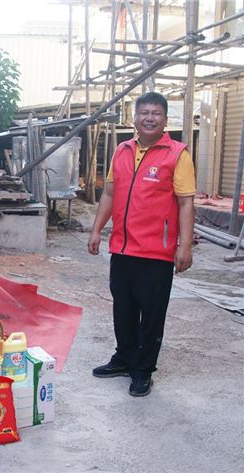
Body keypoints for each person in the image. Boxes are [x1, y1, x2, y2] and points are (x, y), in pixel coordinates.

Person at [88, 92, 195, 397]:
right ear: (134, 117)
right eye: (144, 112)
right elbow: (109, 194)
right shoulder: (122, 150)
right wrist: (97, 230)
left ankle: (143, 369)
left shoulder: (177, 154)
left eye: (157, 113)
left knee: (151, 314)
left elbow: (186, 203)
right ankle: (123, 358)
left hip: (156, 252)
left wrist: (184, 246)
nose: (150, 118)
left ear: (165, 119)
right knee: (123, 308)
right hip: (122, 248)